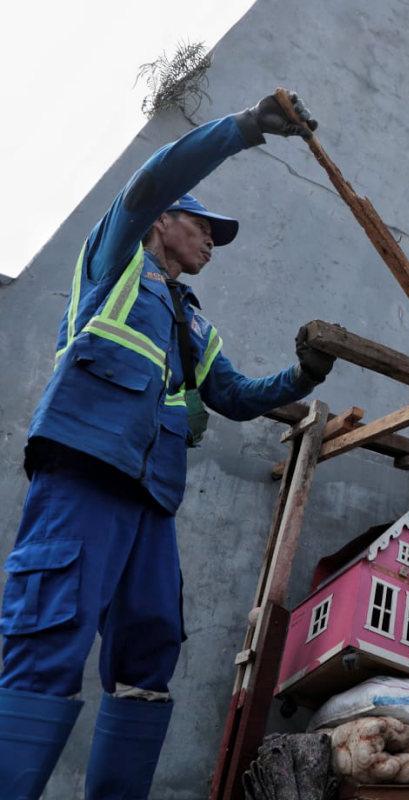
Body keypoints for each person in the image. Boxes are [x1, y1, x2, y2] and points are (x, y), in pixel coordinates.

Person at [0, 92, 336, 798]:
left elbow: (237, 396)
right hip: (84, 480)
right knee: (49, 638)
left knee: (150, 650)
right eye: (203, 224)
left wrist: (303, 371)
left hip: (151, 503)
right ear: (162, 221)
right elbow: (149, 179)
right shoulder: (115, 264)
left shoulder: (197, 329)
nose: (213, 238)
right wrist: (242, 130)